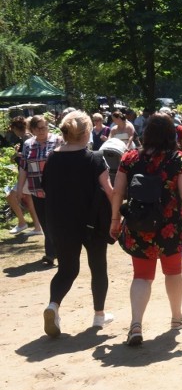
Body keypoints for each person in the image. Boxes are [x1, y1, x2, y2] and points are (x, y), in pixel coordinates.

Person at [110, 112, 182, 346]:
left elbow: (118, 192)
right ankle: (176, 317)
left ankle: (136, 324)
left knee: (141, 275)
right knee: (173, 272)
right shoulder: (177, 159)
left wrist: (114, 221)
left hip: (137, 224)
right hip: (168, 226)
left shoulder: (129, 158)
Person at [41, 111, 115, 338]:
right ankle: (99, 315)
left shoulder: (52, 157)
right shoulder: (94, 158)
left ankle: (53, 306)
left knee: (67, 269)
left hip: (60, 223)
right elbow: (111, 191)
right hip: (92, 223)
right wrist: (118, 216)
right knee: (98, 266)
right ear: (86, 133)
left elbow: (46, 190)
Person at [16, 115, 62, 265]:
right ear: (33, 129)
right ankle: (52, 252)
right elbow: (24, 167)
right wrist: (19, 188)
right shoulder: (28, 144)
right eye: (39, 128)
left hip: (56, 190)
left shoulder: (57, 140)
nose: (43, 130)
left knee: (55, 222)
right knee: (45, 223)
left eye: (45, 127)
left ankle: (56, 253)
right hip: (36, 190)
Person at [6, 116, 42, 236]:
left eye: (13, 129)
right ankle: (37, 227)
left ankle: (22, 222)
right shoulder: (26, 136)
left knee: (10, 196)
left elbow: (30, 154)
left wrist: (17, 154)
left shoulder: (26, 136)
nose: (13, 132)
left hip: (28, 173)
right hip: (29, 172)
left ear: (16, 128)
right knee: (29, 201)